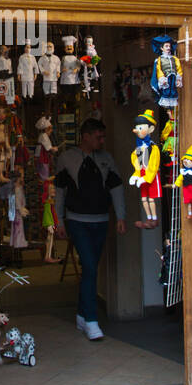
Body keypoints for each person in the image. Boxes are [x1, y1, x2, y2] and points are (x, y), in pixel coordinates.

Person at [54, 118, 126, 341]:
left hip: (101, 220)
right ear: (86, 136)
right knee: (89, 266)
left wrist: (120, 216)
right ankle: (92, 320)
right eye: (98, 137)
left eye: (103, 137)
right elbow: (60, 192)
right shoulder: (67, 158)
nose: (102, 141)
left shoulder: (107, 159)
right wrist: (60, 222)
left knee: (91, 267)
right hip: (77, 221)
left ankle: (82, 314)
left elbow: (116, 188)